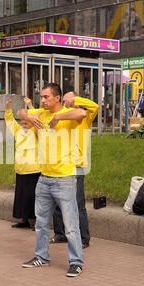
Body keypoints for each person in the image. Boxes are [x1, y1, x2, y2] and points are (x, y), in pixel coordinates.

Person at [19, 83, 87, 277]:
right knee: (40, 222)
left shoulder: (67, 115)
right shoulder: (40, 114)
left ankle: (76, 261)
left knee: (71, 225)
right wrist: (29, 116)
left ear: (57, 98)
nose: (43, 100)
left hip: (64, 179)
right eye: (41, 97)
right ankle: (41, 256)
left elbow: (81, 114)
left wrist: (58, 117)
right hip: (44, 179)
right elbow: (20, 110)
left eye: (46, 97)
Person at [50, 92, 99, 249]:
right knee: (58, 201)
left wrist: (75, 100)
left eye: (68, 100)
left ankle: (84, 238)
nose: (66, 103)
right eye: (64, 101)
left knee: (77, 202)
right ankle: (60, 234)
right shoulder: (63, 117)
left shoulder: (85, 119)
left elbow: (95, 106)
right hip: (60, 165)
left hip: (76, 166)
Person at [4, 97, 40, 229]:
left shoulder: (36, 131)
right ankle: (24, 219)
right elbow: (10, 121)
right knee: (21, 196)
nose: (23, 125)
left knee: (33, 197)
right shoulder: (18, 131)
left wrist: (30, 106)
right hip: (20, 169)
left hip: (34, 170)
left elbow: (39, 120)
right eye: (22, 123)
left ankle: (35, 220)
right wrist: (8, 108)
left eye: (26, 123)